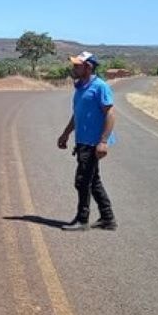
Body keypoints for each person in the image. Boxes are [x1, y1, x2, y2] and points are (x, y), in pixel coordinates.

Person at [57, 51, 118, 231]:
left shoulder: (100, 87)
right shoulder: (80, 88)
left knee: (82, 180)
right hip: (83, 141)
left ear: (88, 67)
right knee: (93, 180)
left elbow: (110, 113)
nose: (74, 68)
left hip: (94, 142)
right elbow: (78, 114)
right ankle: (108, 218)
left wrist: (104, 141)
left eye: (77, 65)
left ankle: (82, 220)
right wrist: (65, 133)